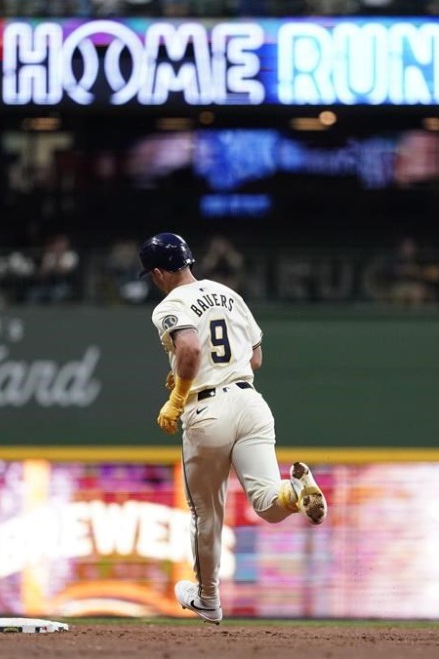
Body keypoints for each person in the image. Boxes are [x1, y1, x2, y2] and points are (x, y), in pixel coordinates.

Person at [139, 232, 326, 625]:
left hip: (209, 412)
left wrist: (178, 396)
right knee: (269, 504)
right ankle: (295, 492)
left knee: (205, 515)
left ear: (158, 272)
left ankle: (208, 598)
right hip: (251, 401)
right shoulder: (228, 294)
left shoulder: (170, 304)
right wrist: (200, 372)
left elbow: (189, 348)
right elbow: (255, 358)